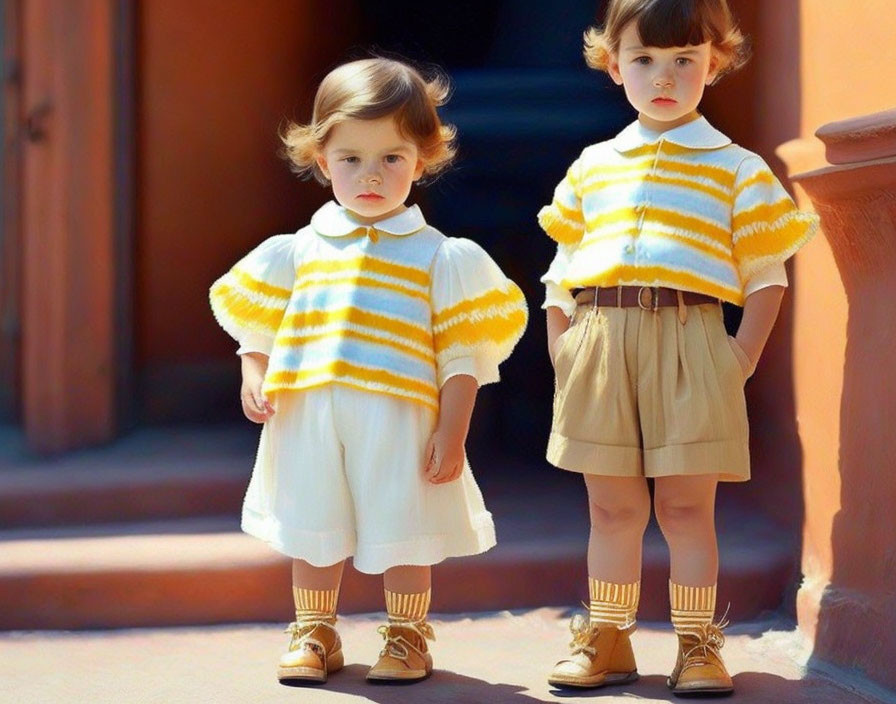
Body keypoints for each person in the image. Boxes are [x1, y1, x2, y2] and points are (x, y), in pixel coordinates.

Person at [209, 57, 527, 686]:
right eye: (351, 158)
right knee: (312, 522)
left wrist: (454, 429)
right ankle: (314, 631)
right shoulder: (297, 250)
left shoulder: (441, 257)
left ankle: (407, 635)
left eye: (391, 158)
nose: (371, 175)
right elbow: (260, 321)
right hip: (309, 411)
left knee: (403, 523)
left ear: (422, 160)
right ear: (323, 160)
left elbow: (464, 352)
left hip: (401, 414)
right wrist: (253, 369)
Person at [537, 0, 817, 695]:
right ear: (614, 65)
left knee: (687, 509)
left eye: (684, 60)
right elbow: (562, 265)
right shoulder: (593, 164)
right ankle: (607, 637)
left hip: (694, 344)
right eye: (644, 60)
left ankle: (697, 645)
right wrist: (563, 347)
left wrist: (738, 359)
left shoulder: (737, 168)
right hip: (599, 343)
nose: (664, 75)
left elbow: (766, 277)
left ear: (713, 64)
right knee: (613, 510)